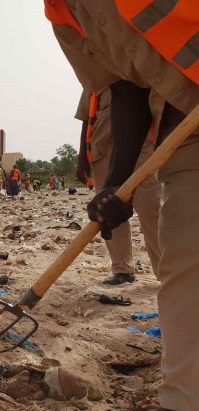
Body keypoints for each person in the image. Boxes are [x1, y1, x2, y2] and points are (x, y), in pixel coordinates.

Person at [0, 0, 199, 411]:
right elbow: (125, 88)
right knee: (183, 264)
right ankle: (187, 406)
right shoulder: (63, 15)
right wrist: (115, 185)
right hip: (183, 129)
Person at [76, 88, 161, 286]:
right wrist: (82, 158)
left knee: (152, 209)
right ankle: (122, 269)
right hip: (103, 151)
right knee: (110, 212)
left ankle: (165, 271)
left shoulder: (135, 68)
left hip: (142, 150)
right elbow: (85, 120)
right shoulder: (93, 80)